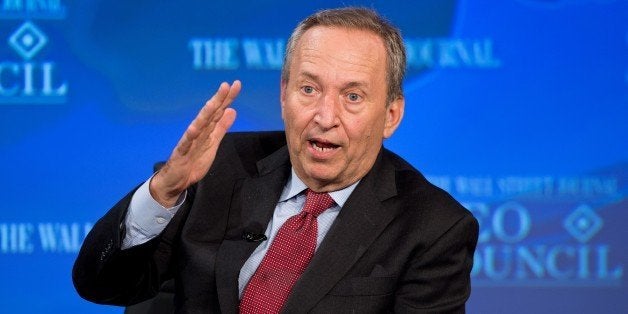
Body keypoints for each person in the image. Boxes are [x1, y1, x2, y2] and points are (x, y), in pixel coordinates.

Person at [73, 7, 479, 313]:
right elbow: (101, 285)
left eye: (352, 96)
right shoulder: (217, 166)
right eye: (308, 89)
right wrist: (165, 190)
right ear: (283, 94)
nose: (325, 116)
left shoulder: (433, 227)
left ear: (391, 114)